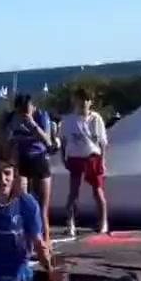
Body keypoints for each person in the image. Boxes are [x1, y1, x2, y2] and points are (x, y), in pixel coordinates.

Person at [1, 94, 53, 246]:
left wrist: (32, 124)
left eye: (27, 109)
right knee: (23, 204)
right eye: (21, 110)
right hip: (21, 160)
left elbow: (48, 141)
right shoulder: (11, 118)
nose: (24, 113)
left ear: (33, 107)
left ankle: (46, 243)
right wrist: (11, 127)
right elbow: (2, 141)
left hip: (39, 158)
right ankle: (26, 244)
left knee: (42, 207)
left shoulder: (41, 116)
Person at [59, 89, 109, 237]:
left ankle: (103, 222)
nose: (83, 103)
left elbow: (103, 142)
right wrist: (63, 157)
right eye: (80, 100)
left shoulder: (96, 119)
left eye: (86, 100)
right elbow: (63, 141)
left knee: (97, 191)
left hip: (92, 157)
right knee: (73, 192)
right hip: (75, 157)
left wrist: (103, 160)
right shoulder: (68, 121)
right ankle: (70, 223)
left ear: (90, 102)